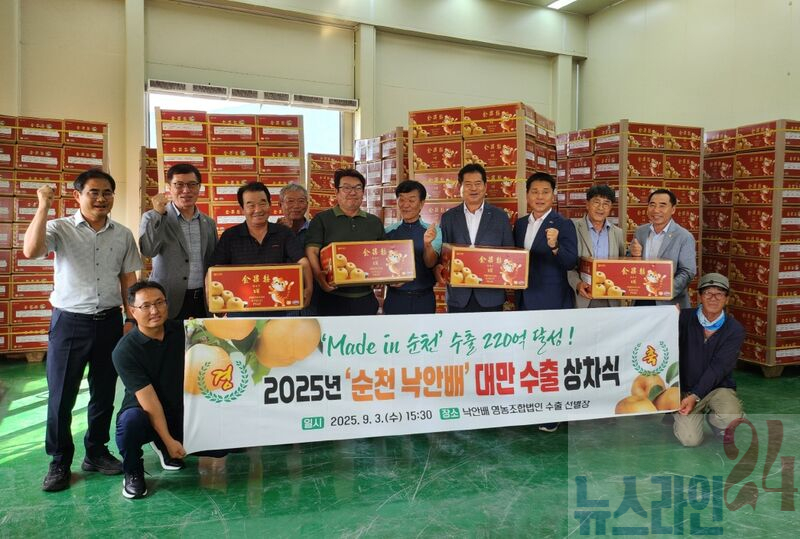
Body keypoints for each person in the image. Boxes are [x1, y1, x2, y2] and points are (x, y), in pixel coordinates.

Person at [23, 169, 142, 492]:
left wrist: (131, 319)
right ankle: (59, 459)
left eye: (107, 193)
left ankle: (96, 452)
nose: (101, 199)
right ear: (78, 196)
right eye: (93, 192)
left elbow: (128, 278)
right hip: (69, 323)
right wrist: (43, 205)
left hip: (110, 322)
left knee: (104, 393)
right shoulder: (58, 227)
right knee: (61, 396)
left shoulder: (123, 234)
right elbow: (31, 251)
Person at [113, 281, 186, 499]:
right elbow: (149, 401)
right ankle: (133, 471)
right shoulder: (125, 351)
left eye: (159, 303)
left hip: (178, 406)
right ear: (132, 311)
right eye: (146, 306)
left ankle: (164, 445)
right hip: (145, 410)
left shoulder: (184, 331)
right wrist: (169, 440)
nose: (155, 311)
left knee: (219, 450)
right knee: (130, 423)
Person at [209, 182, 312, 314]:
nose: (258, 210)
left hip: (278, 310)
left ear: (269, 205)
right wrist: (212, 298)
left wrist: (309, 288)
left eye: (262, 203)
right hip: (241, 311)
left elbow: (302, 261)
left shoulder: (284, 233)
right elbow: (214, 269)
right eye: (251, 205)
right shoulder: (230, 236)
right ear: (242, 209)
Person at [673, 273, 745, 447]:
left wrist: (696, 395)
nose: (713, 298)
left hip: (717, 388)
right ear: (699, 297)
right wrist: (667, 316)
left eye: (719, 293)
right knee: (690, 440)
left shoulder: (734, 329)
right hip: (687, 390)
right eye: (708, 293)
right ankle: (676, 416)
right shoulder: (683, 318)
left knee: (730, 415)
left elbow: (719, 367)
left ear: (727, 299)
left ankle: (717, 422)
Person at [139, 163, 218, 320]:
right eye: (179, 185)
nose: (186, 190)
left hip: (202, 302)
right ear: (169, 188)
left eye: (192, 184)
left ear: (199, 187)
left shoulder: (208, 223)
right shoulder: (153, 217)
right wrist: (158, 214)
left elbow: (213, 262)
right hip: (167, 300)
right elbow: (148, 250)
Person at [304, 169, 386, 316]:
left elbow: (382, 252)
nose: (352, 192)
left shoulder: (374, 222)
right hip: (332, 298)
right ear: (336, 192)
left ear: (363, 192)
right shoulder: (322, 219)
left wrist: (381, 275)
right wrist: (319, 277)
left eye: (358, 188)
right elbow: (312, 250)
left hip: (365, 298)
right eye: (346, 188)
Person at [439, 164, 514, 313]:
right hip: (458, 297)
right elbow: (443, 254)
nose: (473, 188)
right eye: (468, 184)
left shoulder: (500, 217)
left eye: (478, 184)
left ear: (485, 186)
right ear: (460, 187)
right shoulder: (448, 217)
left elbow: (509, 252)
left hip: (491, 296)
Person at [514, 172, 578, 311]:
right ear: (527, 195)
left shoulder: (564, 224)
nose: (540, 197)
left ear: (553, 196)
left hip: (552, 300)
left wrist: (555, 246)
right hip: (523, 298)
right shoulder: (520, 224)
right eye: (534, 192)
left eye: (545, 192)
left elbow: (571, 262)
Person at [630, 188, 696, 308]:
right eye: (652, 205)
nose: (656, 210)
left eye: (662, 205)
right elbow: (631, 264)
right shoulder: (640, 232)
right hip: (641, 298)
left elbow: (687, 272)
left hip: (669, 303)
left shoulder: (684, 236)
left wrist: (664, 290)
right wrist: (634, 256)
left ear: (673, 209)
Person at [383, 180, 441, 314]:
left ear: (421, 203)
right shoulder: (388, 231)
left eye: (411, 200)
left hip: (424, 298)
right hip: (395, 297)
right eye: (401, 200)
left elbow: (430, 263)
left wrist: (427, 244)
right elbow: (383, 265)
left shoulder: (433, 231)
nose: (406, 205)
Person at [568, 184, 626, 308]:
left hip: (610, 298)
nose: (601, 208)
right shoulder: (573, 228)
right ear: (587, 204)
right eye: (596, 202)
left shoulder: (617, 233)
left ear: (611, 207)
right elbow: (568, 266)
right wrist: (577, 284)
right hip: (583, 297)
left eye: (606, 203)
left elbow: (622, 264)